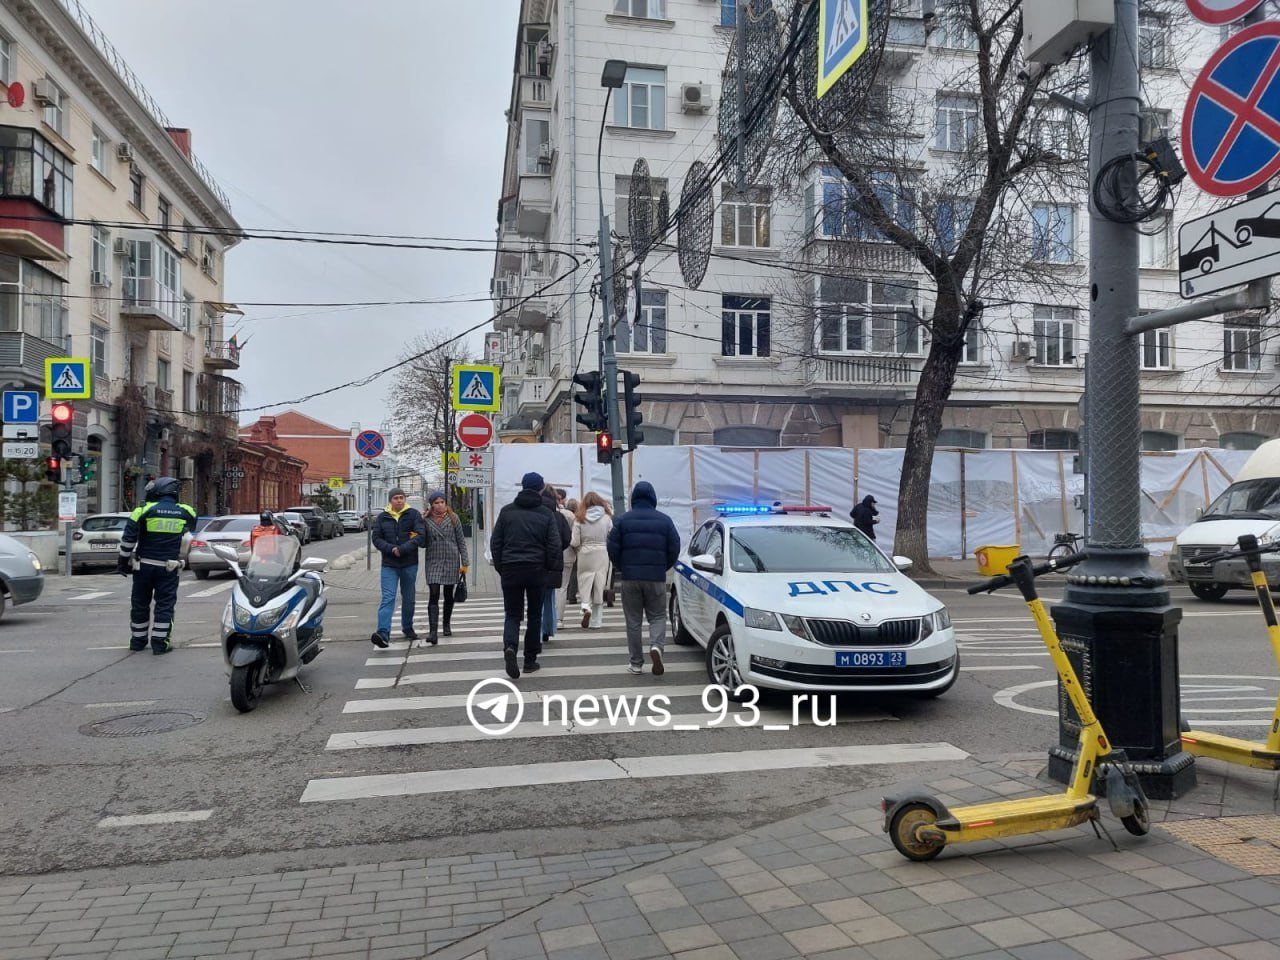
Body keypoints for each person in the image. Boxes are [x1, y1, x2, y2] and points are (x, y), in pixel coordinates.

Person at [490, 471, 560, 679]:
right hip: (536, 569)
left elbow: (496, 543)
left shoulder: (507, 511)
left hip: (511, 568)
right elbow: (554, 545)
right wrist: (546, 566)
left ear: (522, 487)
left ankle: (510, 647)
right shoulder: (546, 513)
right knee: (535, 615)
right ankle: (530, 660)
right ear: (540, 489)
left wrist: (502, 567)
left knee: (512, 614)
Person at [117, 476, 197, 654]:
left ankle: (138, 641)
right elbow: (189, 528)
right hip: (169, 567)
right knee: (165, 605)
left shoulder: (142, 510)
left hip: (143, 566)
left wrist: (122, 563)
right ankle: (160, 643)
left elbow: (128, 541)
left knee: (140, 604)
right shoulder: (186, 511)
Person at [607, 481, 680, 676]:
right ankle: (656, 646)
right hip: (656, 577)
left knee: (633, 620)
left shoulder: (622, 520)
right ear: (653, 499)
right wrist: (663, 567)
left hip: (630, 578)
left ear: (633, 499)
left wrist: (623, 567)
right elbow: (674, 548)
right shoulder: (665, 521)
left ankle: (636, 663)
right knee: (657, 616)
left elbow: (612, 547)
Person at [370, 488, 424, 648]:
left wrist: (403, 549)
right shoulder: (382, 517)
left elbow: (420, 536)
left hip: (409, 563)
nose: (399, 500)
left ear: (405, 499)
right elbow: (376, 538)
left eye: (401, 497)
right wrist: (391, 549)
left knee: (408, 599)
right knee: (388, 598)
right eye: (396, 498)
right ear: (390, 501)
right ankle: (382, 634)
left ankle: (407, 628)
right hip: (389, 564)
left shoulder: (413, 514)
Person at [422, 490, 467, 646]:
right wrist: (418, 530)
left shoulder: (453, 518)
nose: (440, 505)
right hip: (433, 560)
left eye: (442, 502)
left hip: (451, 560)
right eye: (436, 503)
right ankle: (433, 631)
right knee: (434, 593)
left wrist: (465, 563)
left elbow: (461, 541)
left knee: (448, 595)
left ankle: (446, 624)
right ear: (431, 505)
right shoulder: (426, 520)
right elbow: (422, 543)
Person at [571, 491, 613, 629]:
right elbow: (611, 537)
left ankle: (585, 606)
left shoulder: (579, 518)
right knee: (599, 584)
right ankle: (596, 622)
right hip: (602, 552)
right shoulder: (607, 518)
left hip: (585, 552)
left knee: (584, 581)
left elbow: (575, 541)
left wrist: (578, 549)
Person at [538, 485, 572, 643]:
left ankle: (537, 630)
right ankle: (549, 628)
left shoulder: (535, 513)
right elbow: (567, 538)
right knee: (549, 596)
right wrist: (558, 550)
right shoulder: (559, 517)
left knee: (535, 598)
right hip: (553, 562)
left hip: (535, 561)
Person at [555, 490, 577, 629]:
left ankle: (545, 618)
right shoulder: (569, 515)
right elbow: (574, 537)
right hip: (567, 553)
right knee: (562, 588)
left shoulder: (545, 512)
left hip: (548, 555)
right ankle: (559, 620)